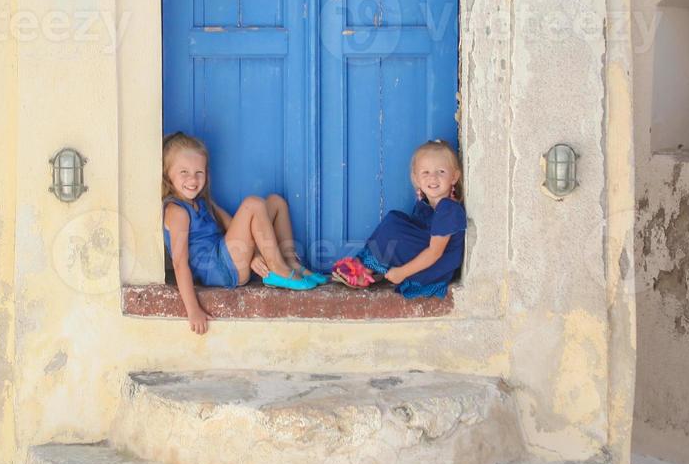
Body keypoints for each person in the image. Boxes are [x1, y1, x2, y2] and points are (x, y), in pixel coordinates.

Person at [162, 132, 325, 334]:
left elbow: (232, 225)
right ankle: (278, 270)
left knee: (275, 202)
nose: (193, 180)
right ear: (167, 173)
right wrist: (193, 310)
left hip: (228, 255)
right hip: (217, 270)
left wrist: (254, 255)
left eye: (199, 172)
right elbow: (179, 264)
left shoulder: (202, 202)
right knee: (253, 204)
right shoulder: (176, 212)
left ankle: (291, 264)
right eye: (184, 172)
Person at [332, 140, 467, 299]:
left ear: (454, 177)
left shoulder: (448, 209)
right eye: (426, 172)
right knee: (395, 219)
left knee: (393, 228)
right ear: (416, 178)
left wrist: (402, 273)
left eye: (441, 171)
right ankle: (369, 268)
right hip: (427, 259)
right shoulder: (426, 206)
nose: (433, 178)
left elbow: (434, 253)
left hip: (435, 269)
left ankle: (365, 270)